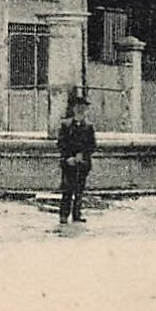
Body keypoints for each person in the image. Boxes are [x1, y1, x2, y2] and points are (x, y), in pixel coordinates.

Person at [57, 95, 96, 225]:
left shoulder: (89, 127)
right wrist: (68, 157)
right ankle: (63, 215)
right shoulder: (66, 125)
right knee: (67, 190)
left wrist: (83, 155)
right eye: (77, 107)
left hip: (82, 163)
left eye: (83, 107)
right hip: (69, 163)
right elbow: (61, 143)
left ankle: (77, 215)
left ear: (85, 109)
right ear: (73, 109)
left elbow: (92, 145)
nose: (80, 110)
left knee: (79, 190)